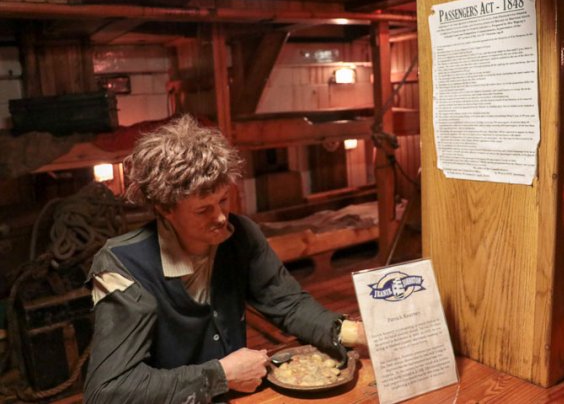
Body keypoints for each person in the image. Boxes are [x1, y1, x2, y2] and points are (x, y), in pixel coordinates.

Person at [84, 114, 366, 403]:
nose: (220, 217)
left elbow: (287, 303)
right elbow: (106, 392)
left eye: (223, 200)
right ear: (165, 208)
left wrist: (354, 333)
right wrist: (220, 375)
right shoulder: (124, 267)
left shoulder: (241, 235)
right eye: (202, 209)